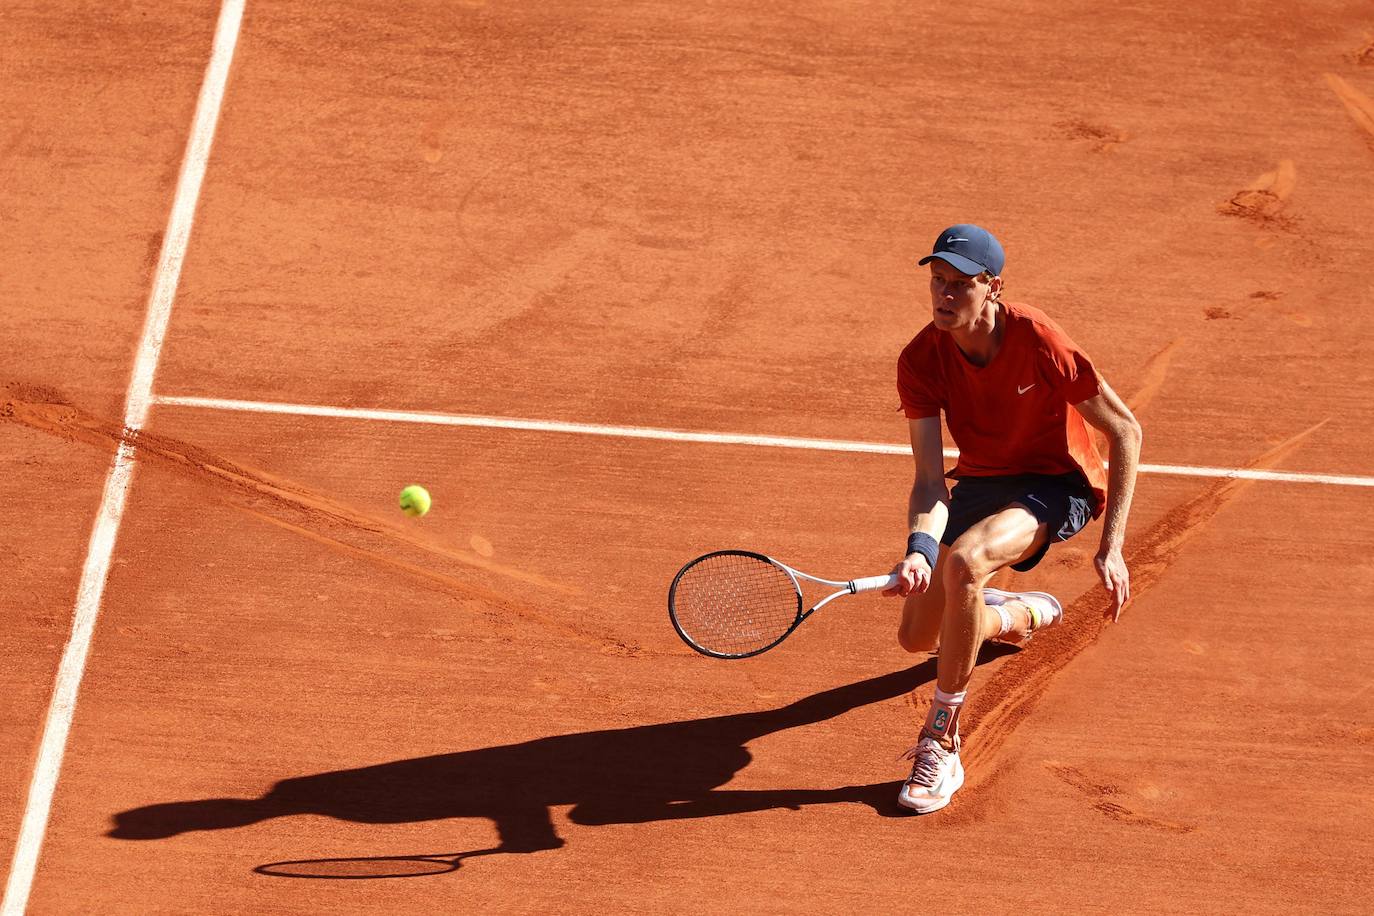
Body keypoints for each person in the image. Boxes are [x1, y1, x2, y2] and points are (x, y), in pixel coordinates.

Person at [884, 223, 1142, 814]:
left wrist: (1114, 545)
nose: (944, 297)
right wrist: (921, 549)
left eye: (960, 285)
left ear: (992, 287)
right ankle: (1015, 614)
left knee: (969, 562)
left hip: (1057, 480)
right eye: (937, 282)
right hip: (981, 481)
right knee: (915, 637)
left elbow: (1125, 429)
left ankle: (941, 739)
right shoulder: (921, 360)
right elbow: (929, 481)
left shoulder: (1037, 338)